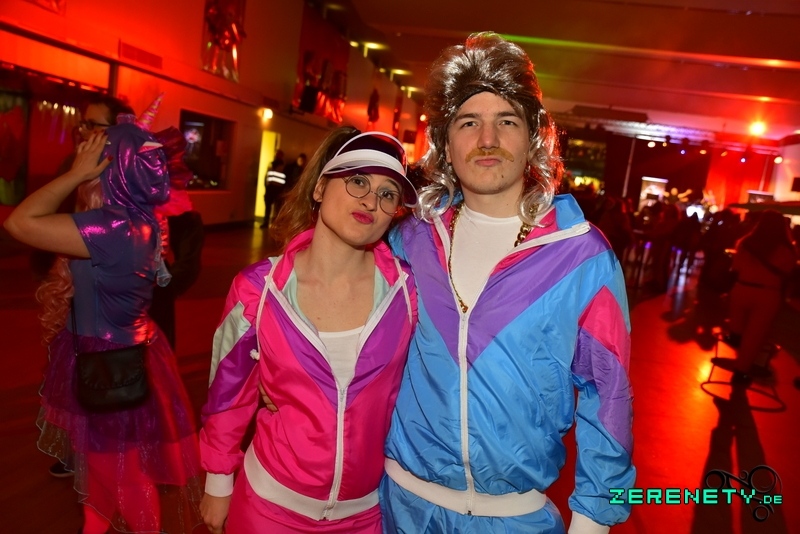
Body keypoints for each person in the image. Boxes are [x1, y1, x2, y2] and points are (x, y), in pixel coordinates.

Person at [380, 32, 635, 533]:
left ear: (533, 138)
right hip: (398, 506)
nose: (487, 139)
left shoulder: (581, 256)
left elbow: (609, 394)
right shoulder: (409, 239)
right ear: (445, 143)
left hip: (513, 519)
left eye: (507, 121)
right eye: (468, 122)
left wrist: (593, 520)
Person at [199, 128, 419, 533]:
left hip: (366, 514)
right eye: (357, 181)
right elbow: (228, 392)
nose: (371, 201)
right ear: (319, 188)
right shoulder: (258, 289)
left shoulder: (408, 293)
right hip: (268, 507)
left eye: (388, 193)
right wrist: (217, 481)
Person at [4, 116, 202, 532]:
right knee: (101, 476)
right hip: (120, 355)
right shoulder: (136, 219)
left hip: (109, 365)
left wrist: (75, 175)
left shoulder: (112, 228)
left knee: (123, 479)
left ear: (111, 169)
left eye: (93, 158)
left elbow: (18, 222)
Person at [721, 210, 798, 382]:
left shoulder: (746, 243)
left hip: (743, 288)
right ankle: (741, 372)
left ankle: (735, 338)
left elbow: (735, 268)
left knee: (737, 331)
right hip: (768, 294)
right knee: (754, 336)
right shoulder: (787, 250)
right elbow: (788, 273)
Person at [260, 151, 286, 228]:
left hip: (278, 189)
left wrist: (282, 189)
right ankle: (266, 222)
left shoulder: (284, 166)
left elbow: (285, 179)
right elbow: (266, 176)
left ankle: (277, 224)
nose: (277, 156)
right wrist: (266, 186)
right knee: (268, 207)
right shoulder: (271, 164)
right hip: (269, 188)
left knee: (277, 208)